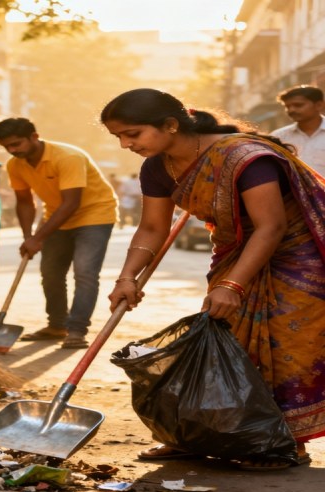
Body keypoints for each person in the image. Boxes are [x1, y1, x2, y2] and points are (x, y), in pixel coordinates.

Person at [101, 88, 325, 470]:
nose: (125, 144)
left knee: (285, 347)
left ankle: (282, 443)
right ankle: (201, 432)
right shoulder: (157, 166)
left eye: (133, 134)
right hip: (235, 253)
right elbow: (153, 227)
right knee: (226, 341)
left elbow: (270, 227)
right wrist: (126, 277)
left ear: (170, 125)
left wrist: (231, 285)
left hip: (295, 256)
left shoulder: (247, 158)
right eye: (118, 137)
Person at [0, 118, 118, 349]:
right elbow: (25, 203)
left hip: (94, 215)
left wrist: (38, 238)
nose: (12, 150)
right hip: (56, 216)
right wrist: (28, 236)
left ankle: (76, 330)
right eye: (7, 146)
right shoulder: (15, 164)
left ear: (34, 137)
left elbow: (71, 203)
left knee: (85, 272)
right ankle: (57, 325)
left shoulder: (68, 157)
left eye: (16, 144)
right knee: (50, 272)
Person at [271, 85, 325, 174]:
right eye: (287, 106)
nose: (291, 110)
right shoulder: (278, 137)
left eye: (298, 105)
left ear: (319, 105)